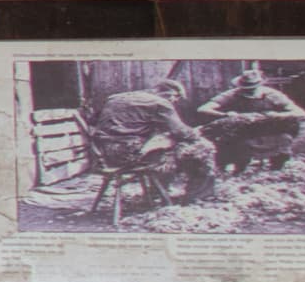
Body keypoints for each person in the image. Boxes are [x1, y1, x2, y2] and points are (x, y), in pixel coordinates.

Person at [92, 80, 220, 204]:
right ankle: (199, 196)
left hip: (105, 153)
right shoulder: (160, 103)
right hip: (129, 155)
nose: (175, 102)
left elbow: (94, 120)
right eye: (177, 98)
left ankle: (158, 191)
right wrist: (196, 133)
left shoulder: (114, 98)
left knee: (163, 143)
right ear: (171, 94)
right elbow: (181, 132)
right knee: (203, 148)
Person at [198, 64, 305, 170]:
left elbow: (300, 112)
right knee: (228, 141)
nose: (248, 90)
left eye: (252, 88)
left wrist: (278, 115)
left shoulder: (272, 95)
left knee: (284, 138)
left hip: (268, 129)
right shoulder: (232, 94)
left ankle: (277, 166)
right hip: (244, 131)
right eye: (245, 88)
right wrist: (226, 114)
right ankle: (236, 166)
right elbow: (203, 108)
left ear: (259, 85)